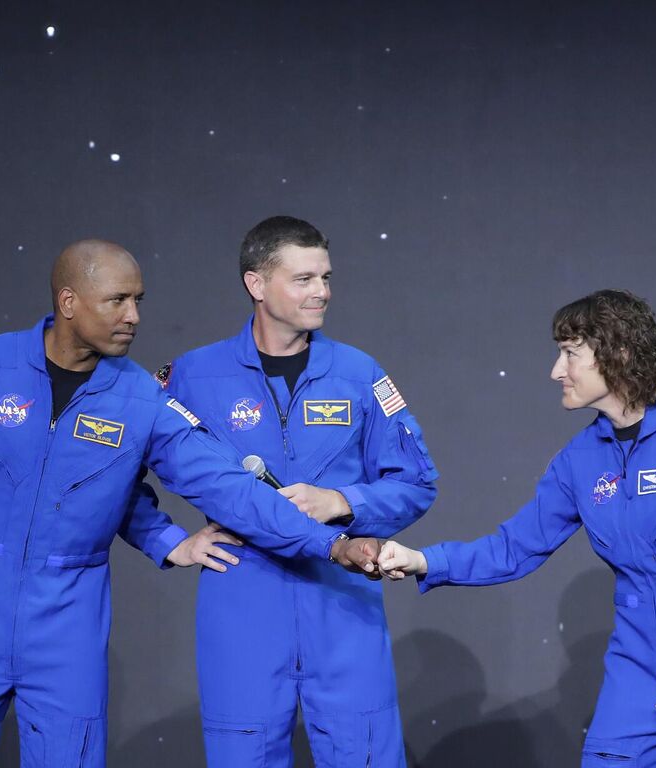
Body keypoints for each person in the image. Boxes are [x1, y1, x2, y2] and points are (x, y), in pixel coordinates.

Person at [0, 239, 383, 767]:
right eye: (117, 300)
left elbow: (228, 487)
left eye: (138, 300)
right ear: (68, 301)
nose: (133, 316)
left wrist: (331, 543)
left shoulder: (144, 401)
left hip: (68, 618)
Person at [375, 290, 656, 767]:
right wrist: (424, 560)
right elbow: (516, 547)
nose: (557, 370)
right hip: (638, 660)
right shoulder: (580, 458)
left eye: (571, 353)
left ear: (619, 353)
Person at [159, 215, 436, 766]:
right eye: (304, 279)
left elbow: (417, 480)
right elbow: (114, 469)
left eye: (326, 277)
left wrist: (344, 502)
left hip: (343, 602)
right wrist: (165, 540)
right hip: (243, 607)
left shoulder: (359, 374)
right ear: (256, 285)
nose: (322, 292)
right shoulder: (194, 376)